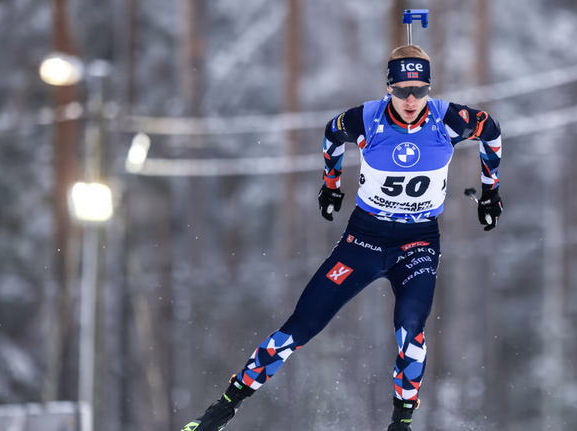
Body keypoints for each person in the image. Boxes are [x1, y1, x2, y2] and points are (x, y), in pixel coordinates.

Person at [181, 45, 503, 431]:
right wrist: (331, 185)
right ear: (389, 88)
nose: (411, 99)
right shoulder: (366, 119)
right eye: (402, 91)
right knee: (299, 328)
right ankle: (223, 408)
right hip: (365, 239)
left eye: (419, 89)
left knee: (410, 332)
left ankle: (401, 424)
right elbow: (331, 135)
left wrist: (491, 191)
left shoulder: (448, 119)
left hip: (418, 242)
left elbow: (492, 133)